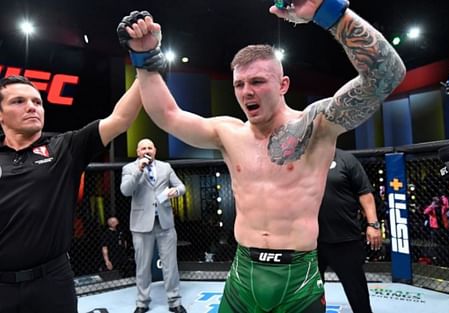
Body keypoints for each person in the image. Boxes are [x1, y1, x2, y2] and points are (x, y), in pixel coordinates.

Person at [117, 1, 406, 311]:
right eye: (239, 85)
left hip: (298, 276)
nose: (246, 92)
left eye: (257, 82)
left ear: (283, 85)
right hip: (243, 272)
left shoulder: (317, 125)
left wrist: (330, 13)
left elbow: (386, 75)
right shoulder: (228, 133)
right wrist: (145, 57)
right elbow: (167, 116)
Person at [0, 75, 142, 313]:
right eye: (18, 101)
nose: (32, 107)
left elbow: (120, 119)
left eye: (37, 102)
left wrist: (146, 63)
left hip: (52, 283)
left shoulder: (63, 148)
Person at [120, 138, 187, 313]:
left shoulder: (166, 167)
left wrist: (176, 191)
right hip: (141, 226)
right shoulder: (129, 168)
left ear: (155, 150)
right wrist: (139, 169)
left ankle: (175, 301)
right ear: (138, 152)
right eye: (143, 148)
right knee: (142, 266)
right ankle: (142, 302)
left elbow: (181, 186)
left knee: (170, 265)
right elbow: (125, 191)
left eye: (150, 147)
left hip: (165, 223)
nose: (147, 150)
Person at [317, 149, 381, 313]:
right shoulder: (303, 160)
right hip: (311, 240)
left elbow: (365, 193)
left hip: (345, 238)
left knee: (356, 290)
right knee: (312, 292)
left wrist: (373, 224)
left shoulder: (346, 159)